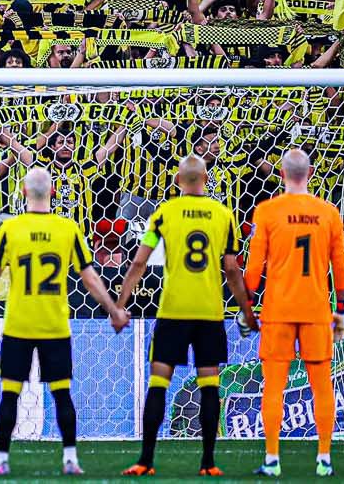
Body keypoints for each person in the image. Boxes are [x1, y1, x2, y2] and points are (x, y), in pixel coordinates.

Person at [0, 165, 131, 478]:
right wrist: (114, 310)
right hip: (54, 326)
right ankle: (70, 459)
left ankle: (0, 460)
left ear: (23, 192)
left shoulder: (10, 229)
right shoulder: (68, 229)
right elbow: (89, 278)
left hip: (19, 326)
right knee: (61, 393)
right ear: (53, 192)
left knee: (10, 394)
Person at [114, 155, 254, 478]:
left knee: (158, 384)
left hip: (173, 312)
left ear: (178, 181)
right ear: (205, 179)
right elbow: (232, 269)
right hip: (209, 313)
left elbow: (139, 262)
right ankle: (208, 463)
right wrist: (246, 310)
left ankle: (145, 460)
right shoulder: (223, 215)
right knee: (210, 386)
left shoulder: (165, 213)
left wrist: (120, 304)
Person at [245, 148, 344, 479]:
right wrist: (341, 310)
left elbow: (254, 267)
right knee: (322, 385)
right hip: (316, 310)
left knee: (274, 386)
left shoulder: (268, 211)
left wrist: (246, 304)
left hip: (278, 310)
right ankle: (324, 459)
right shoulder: (328, 212)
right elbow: (340, 267)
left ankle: (272, 459)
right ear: (311, 173)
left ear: (281, 174)